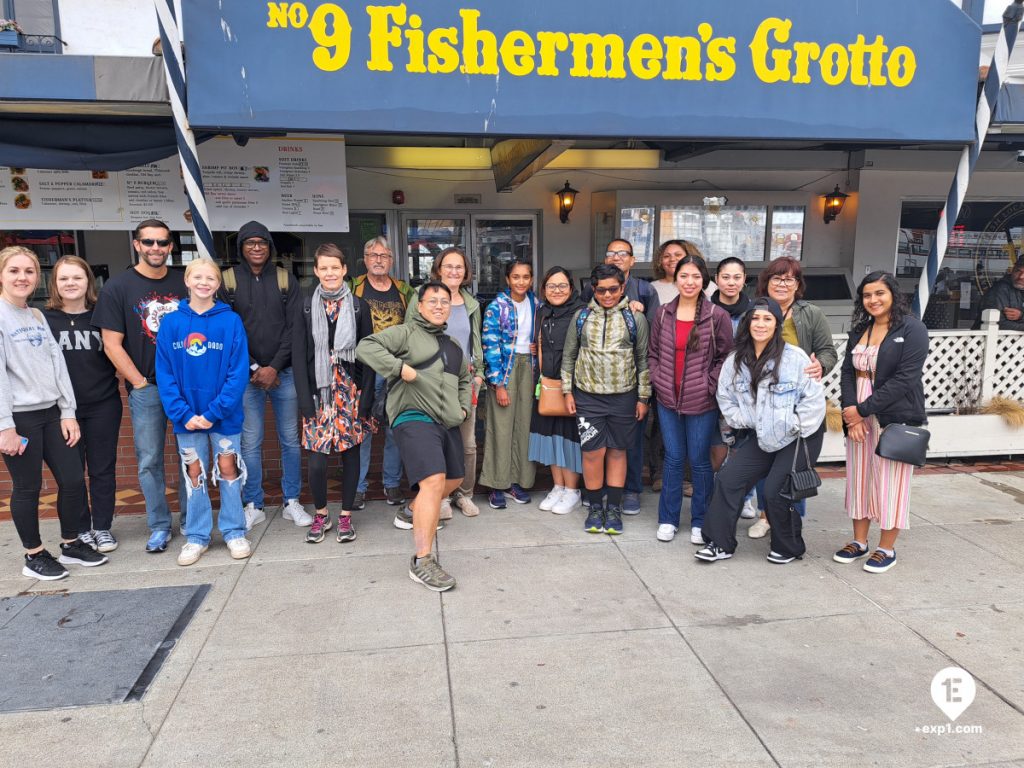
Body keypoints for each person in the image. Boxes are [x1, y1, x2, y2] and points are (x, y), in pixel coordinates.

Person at [357, 281, 472, 592]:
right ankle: (422, 561)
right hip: (412, 416)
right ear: (419, 306)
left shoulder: (453, 345)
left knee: (453, 480)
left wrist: (462, 408)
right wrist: (398, 368)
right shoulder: (405, 333)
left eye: (444, 301)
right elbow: (366, 346)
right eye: (431, 301)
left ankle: (413, 509)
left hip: (446, 421)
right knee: (434, 480)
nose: (438, 305)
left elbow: (464, 378)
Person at [0, 246, 107, 580]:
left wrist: (67, 411)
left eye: (29, 271)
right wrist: (5, 426)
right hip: (20, 418)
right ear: (2, 274)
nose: (22, 277)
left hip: (52, 412)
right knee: (28, 488)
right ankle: (33, 555)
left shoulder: (35, 315)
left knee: (74, 480)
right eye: (14, 271)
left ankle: (70, 542)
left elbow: (56, 363)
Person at [697, 297, 825, 564]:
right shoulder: (735, 361)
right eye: (755, 318)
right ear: (747, 322)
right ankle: (720, 543)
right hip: (763, 434)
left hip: (800, 436)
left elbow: (813, 403)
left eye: (768, 319)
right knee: (729, 479)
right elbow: (726, 399)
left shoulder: (795, 357)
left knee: (775, 490)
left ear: (777, 324)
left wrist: (791, 425)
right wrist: (749, 420)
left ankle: (788, 546)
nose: (760, 324)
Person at [93, 219, 188, 553]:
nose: (156, 249)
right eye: (148, 242)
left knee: (189, 455)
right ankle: (160, 525)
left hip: (186, 387)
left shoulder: (185, 281)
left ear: (171, 246)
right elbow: (111, 343)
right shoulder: (118, 287)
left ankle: (192, 520)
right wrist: (139, 382)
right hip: (147, 387)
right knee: (150, 460)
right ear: (136, 245)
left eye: (162, 243)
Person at [156, 258, 251, 566]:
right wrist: (183, 413)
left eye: (210, 278)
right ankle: (197, 536)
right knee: (194, 475)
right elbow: (165, 373)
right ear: (187, 280)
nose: (204, 282)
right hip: (188, 418)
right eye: (198, 277)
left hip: (223, 416)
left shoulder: (230, 321)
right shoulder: (172, 323)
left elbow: (237, 374)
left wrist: (214, 412)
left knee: (228, 472)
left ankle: (234, 530)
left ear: (217, 284)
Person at [835, 271, 928, 574]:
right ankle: (859, 541)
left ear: (893, 296)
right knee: (859, 478)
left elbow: (905, 379)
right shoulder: (860, 329)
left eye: (879, 294)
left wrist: (862, 409)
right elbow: (848, 372)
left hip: (894, 416)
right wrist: (850, 410)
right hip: (858, 415)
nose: (873, 300)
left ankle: (886, 548)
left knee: (891, 482)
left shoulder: (912, 329)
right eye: (867, 295)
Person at [220, 221, 309, 530]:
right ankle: (253, 503)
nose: (256, 247)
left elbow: (295, 327)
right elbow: (227, 332)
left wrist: (273, 366)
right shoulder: (227, 281)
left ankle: (292, 501)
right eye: (250, 242)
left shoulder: (286, 280)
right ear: (241, 247)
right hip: (246, 377)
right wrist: (255, 368)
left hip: (283, 374)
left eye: (261, 242)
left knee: (290, 440)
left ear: (269, 247)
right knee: (250, 442)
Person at [746, 256, 837, 539]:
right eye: (777, 278)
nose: (782, 284)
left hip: (799, 403)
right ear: (766, 281)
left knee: (796, 462)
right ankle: (765, 515)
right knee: (765, 461)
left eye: (789, 279)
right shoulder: (756, 308)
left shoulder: (811, 313)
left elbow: (828, 351)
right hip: (763, 400)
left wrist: (820, 364)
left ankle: (791, 519)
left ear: (798, 284)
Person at [648, 256, 733, 544]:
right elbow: (653, 354)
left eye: (696, 276)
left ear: (704, 280)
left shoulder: (715, 315)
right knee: (673, 458)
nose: (689, 282)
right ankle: (668, 519)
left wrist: (709, 384)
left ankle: (700, 521)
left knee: (698, 461)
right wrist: (658, 379)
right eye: (684, 276)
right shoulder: (662, 314)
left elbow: (726, 357)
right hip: (667, 399)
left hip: (702, 401)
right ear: (676, 279)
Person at [293, 244, 374, 544]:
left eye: (334, 267)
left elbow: (368, 354)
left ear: (344, 270)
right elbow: (299, 357)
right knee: (316, 460)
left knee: (350, 456)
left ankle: (346, 517)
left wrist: (365, 399)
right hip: (318, 393)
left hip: (350, 391)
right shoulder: (304, 307)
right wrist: (304, 399)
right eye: (323, 268)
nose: (329, 273)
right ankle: (322, 514)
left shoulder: (358, 306)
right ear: (316, 271)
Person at [562, 264, 651, 535]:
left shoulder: (635, 319)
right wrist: (567, 391)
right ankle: (595, 508)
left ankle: (613, 508)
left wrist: (643, 397)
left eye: (613, 289)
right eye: (601, 290)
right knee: (592, 453)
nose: (608, 295)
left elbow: (643, 359)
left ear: (622, 288)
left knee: (617, 452)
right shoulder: (581, 316)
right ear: (593, 289)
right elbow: (569, 356)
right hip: (588, 396)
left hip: (624, 396)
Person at [44, 256, 122, 553]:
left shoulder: (102, 316)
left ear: (88, 281)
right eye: (64, 278)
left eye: (77, 277)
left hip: (103, 404)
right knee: (72, 472)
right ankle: (80, 528)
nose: (71, 283)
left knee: (103, 468)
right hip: (62, 410)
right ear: (55, 284)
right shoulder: (43, 319)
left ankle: (102, 527)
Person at [582, 239, 659, 513]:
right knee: (595, 447)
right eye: (610, 253)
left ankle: (630, 491)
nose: (616, 257)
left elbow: (648, 342)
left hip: (627, 388)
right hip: (591, 390)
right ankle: (597, 495)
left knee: (627, 445)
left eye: (621, 253)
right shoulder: (587, 303)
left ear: (632, 259)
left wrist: (643, 394)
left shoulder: (646, 291)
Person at [405, 247, 482, 519]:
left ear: (466, 272)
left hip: (464, 381)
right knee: (440, 442)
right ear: (438, 269)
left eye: (459, 267)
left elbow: (476, 343)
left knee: (468, 443)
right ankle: (442, 497)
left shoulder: (471, 304)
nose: (454, 271)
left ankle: (465, 494)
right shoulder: (422, 298)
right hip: (431, 383)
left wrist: (479, 374)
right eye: (448, 266)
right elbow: (410, 337)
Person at [352, 236, 416, 509]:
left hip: (395, 370)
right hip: (363, 370)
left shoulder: (404, 290)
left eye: (384, 255)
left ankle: (391, 484)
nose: (378, 260)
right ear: (365, 259)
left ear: (391, 260)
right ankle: (357, 487)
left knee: (394, 430)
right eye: (373, 255)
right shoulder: (353, 287)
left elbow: (414, 327)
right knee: (362, 429)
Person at [479, 258, 537, 509]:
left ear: (531, 279)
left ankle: (517, 481)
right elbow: (489, 345)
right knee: (501, 427)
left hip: (529, 368)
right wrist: (498, 384)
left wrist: (537, 347)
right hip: (506, 369)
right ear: (507, 279)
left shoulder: (537, 303)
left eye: (526, 277)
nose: (521, 282)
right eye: (516, 277)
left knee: (524, 427)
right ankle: (496, 484)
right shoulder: (497, 307)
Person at [529, 266, 585, 514]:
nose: (557, 290)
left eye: (562, 285)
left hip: (572, 387)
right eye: (551, 286)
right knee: (550, 437)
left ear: (571, 288)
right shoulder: (542, 312)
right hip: (548, 384)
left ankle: (573, 490)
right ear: (544, 289)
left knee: (569, 438)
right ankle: (558, 486)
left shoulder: (581, 312)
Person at [709, 256, 756, 519]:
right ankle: (720, 491)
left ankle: (746, 496)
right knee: (716, 447)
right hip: (712, 388)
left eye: (737, 277)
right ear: (716, 279)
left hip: (745, 390)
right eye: (725, 277)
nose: (731, 282)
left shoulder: (753, 312)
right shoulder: (705, 309)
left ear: (744, 279)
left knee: (741, 446)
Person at [977, 260, 1024, 331]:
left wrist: (1021, 316)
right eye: (1018, 271)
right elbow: (998, 324)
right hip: (989, 340)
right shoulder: (1000, 289)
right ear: (1012, 270)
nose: (1021, 276)